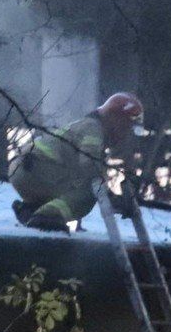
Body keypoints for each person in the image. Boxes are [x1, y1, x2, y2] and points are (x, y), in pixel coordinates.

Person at [9, 92, 144, 232]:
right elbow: (90, 164)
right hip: (38, 168)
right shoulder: (94, 129)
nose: (127, 133)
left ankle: (30, 211)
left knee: (71, 191)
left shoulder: (87, 126)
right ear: (115, 119)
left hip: (24, 169)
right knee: (88, 194)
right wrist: (110, 196)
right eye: (127, 126)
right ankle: (47, 216)